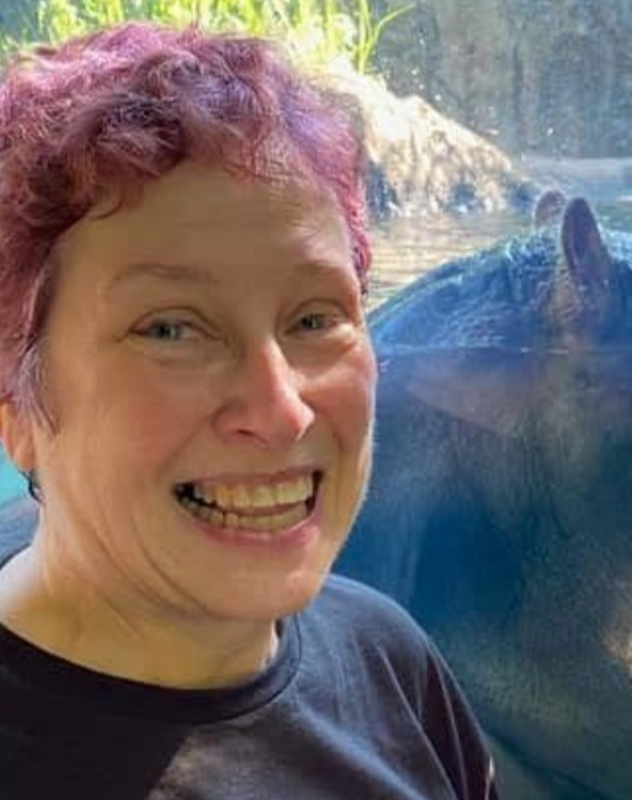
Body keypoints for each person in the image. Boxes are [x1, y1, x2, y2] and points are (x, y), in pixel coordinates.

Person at [0, 22, 499, 800]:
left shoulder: (390, 664)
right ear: (17, 408)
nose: (281, 410)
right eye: (171, 329)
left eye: (315, 318)